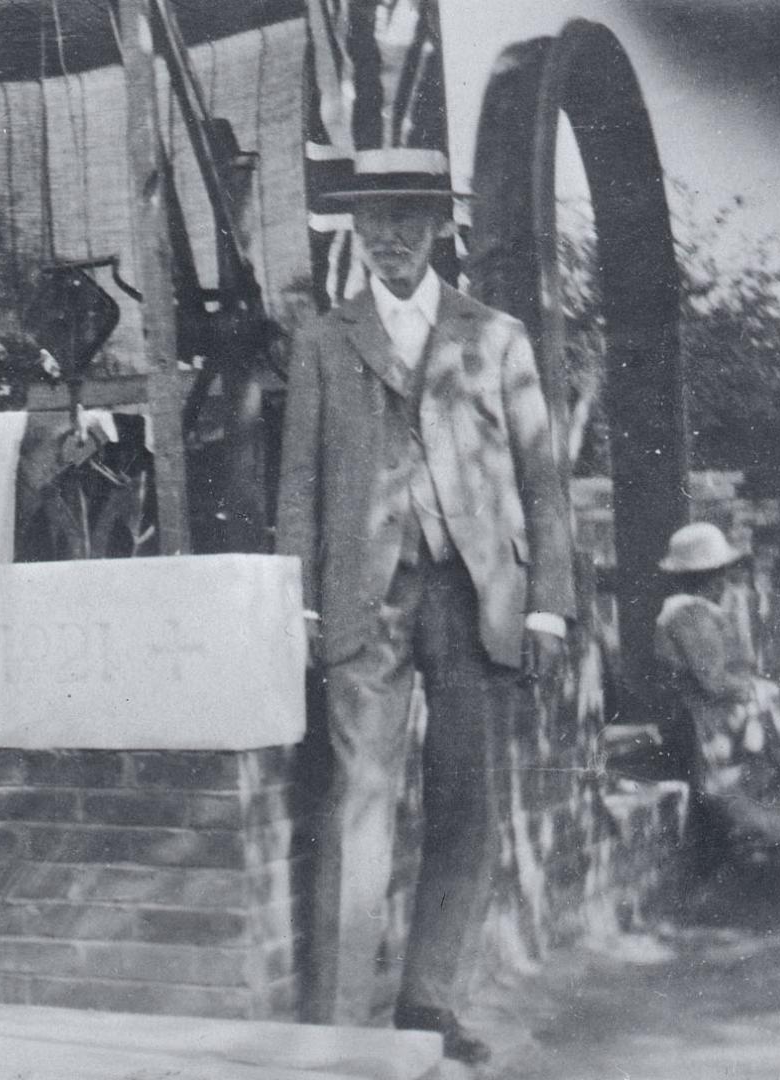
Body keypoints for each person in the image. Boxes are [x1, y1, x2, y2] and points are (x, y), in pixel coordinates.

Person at [275, 148, 573, 1065]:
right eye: (375, 219)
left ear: (440, 226)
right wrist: (299, 604)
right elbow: (299, 484)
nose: (391, 235)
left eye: (409, 215)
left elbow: (542, 480)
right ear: (355, 231)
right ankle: (334, 1026)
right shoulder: (326, 338)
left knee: (465, 803)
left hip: (478, 595)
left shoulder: (499, 335)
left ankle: (429, 1003)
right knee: (360, 797)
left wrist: (548, 608)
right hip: (366, 600)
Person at [654, 522, 780, 853]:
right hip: (708, 714)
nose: (722, 580)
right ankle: (767, 830)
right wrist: (759, 691)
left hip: (723, 704)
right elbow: (714, 681)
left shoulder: (699, 611)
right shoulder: (688, 614)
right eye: (716, 573)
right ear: (703, 576)